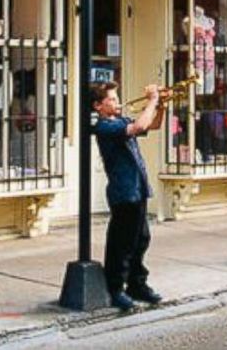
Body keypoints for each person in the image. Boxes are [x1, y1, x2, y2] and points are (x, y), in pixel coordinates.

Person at [91, 80, 166, 311]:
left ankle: (137, 283)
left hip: (137, 187)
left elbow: (153, 125)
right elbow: (139, 126)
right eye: (111, 99)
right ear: (98, 106)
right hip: (123, 191)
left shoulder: (120, 120)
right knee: (121, 244)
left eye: (116, 97)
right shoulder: (104, 127)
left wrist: (160, 105)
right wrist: (152, 100)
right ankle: (115, 289)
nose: (117, 102)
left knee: (141, 239)